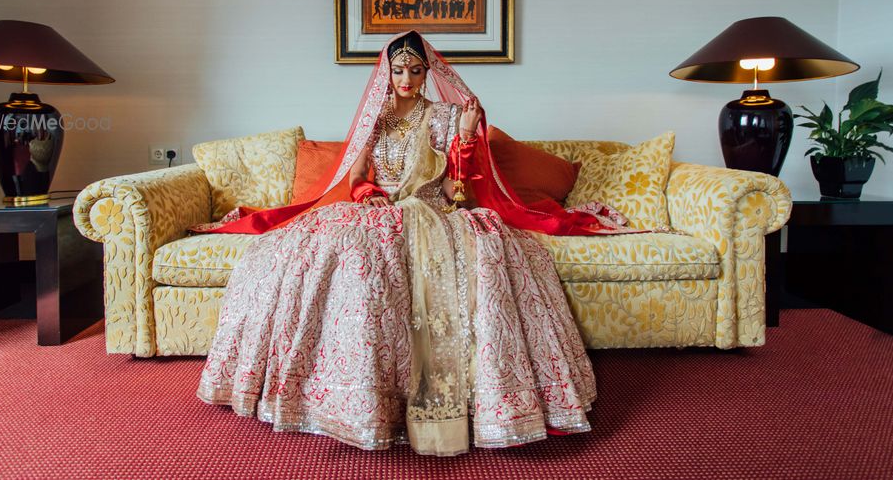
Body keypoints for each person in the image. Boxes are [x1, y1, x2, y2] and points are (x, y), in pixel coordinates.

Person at [195, 31, 632, 456]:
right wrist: (372, 198)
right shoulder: (374, 118)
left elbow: (458, 187)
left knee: (489, 249)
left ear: (427, 73)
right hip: (378, 209)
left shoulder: (442, 116)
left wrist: (464, 136)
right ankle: (344, 394)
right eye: (399, 70)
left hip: (431, 212)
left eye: (416, 71)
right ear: (387, 71)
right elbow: (358, 178)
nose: (406, 79)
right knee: (324, 246)